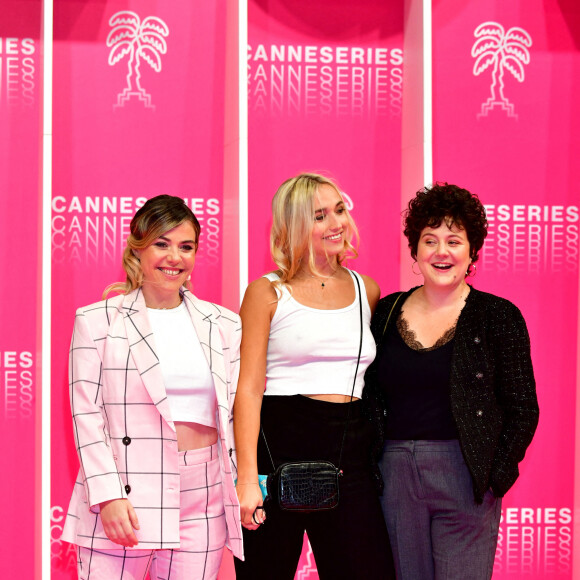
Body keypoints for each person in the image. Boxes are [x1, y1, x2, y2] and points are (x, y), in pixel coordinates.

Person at [61, 195, 242, 579]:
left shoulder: (224, 324)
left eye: (186, 246)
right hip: (127, 489)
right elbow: (86, 415)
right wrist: (108, 496)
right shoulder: (97, 321)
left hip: (204, 495)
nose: (174, 256)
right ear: (137, 249)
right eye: (162, 243)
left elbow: (235, 414)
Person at [365, 183, 539, 579]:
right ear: (414, 250)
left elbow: (522, 407)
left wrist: (494, 477)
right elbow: (368, 395)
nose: (441, 252)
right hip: (394, 478)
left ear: (472, 250)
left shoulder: (499, 316)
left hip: (467, 476)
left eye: (454, 241)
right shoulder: (386, 312)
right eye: (430, 240)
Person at [233, 173, 395, 579]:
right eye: (319, 216)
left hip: (349, 455)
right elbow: (249, 390)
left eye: (339, 209)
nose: (336, 223)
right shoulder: (266, 293)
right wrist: (247, 480)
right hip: (277, 452)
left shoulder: (367, 290)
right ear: (294, 226)